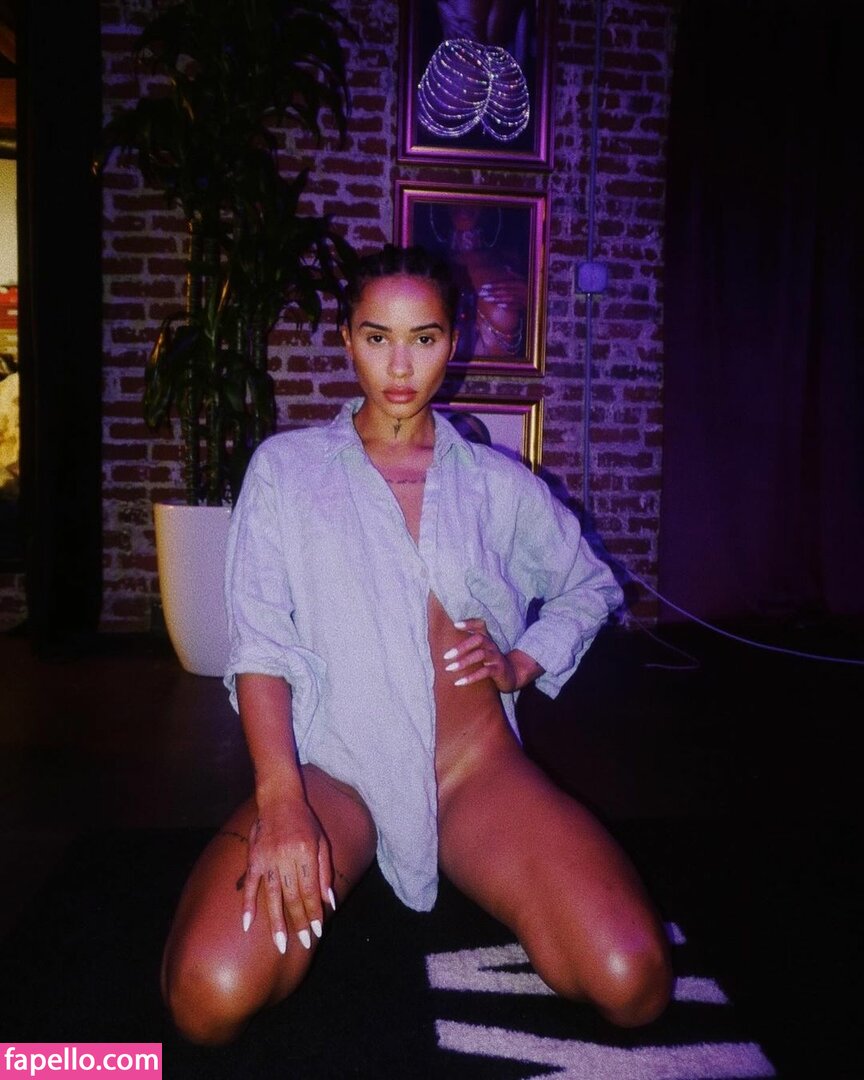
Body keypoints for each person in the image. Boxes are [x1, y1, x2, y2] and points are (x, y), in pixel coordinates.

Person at [160, 244, 673, 1045]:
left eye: (424, 338)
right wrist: (283, 802)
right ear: (347, 339)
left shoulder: (496, 483)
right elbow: (260, 644)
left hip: (473, 772)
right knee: (209, 996)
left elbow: (589, 584)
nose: (400, 366)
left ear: (452, 342)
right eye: (377, 337)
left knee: (631, 980)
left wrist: (523, 660)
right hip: (338, 772)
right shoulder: (288, 472)